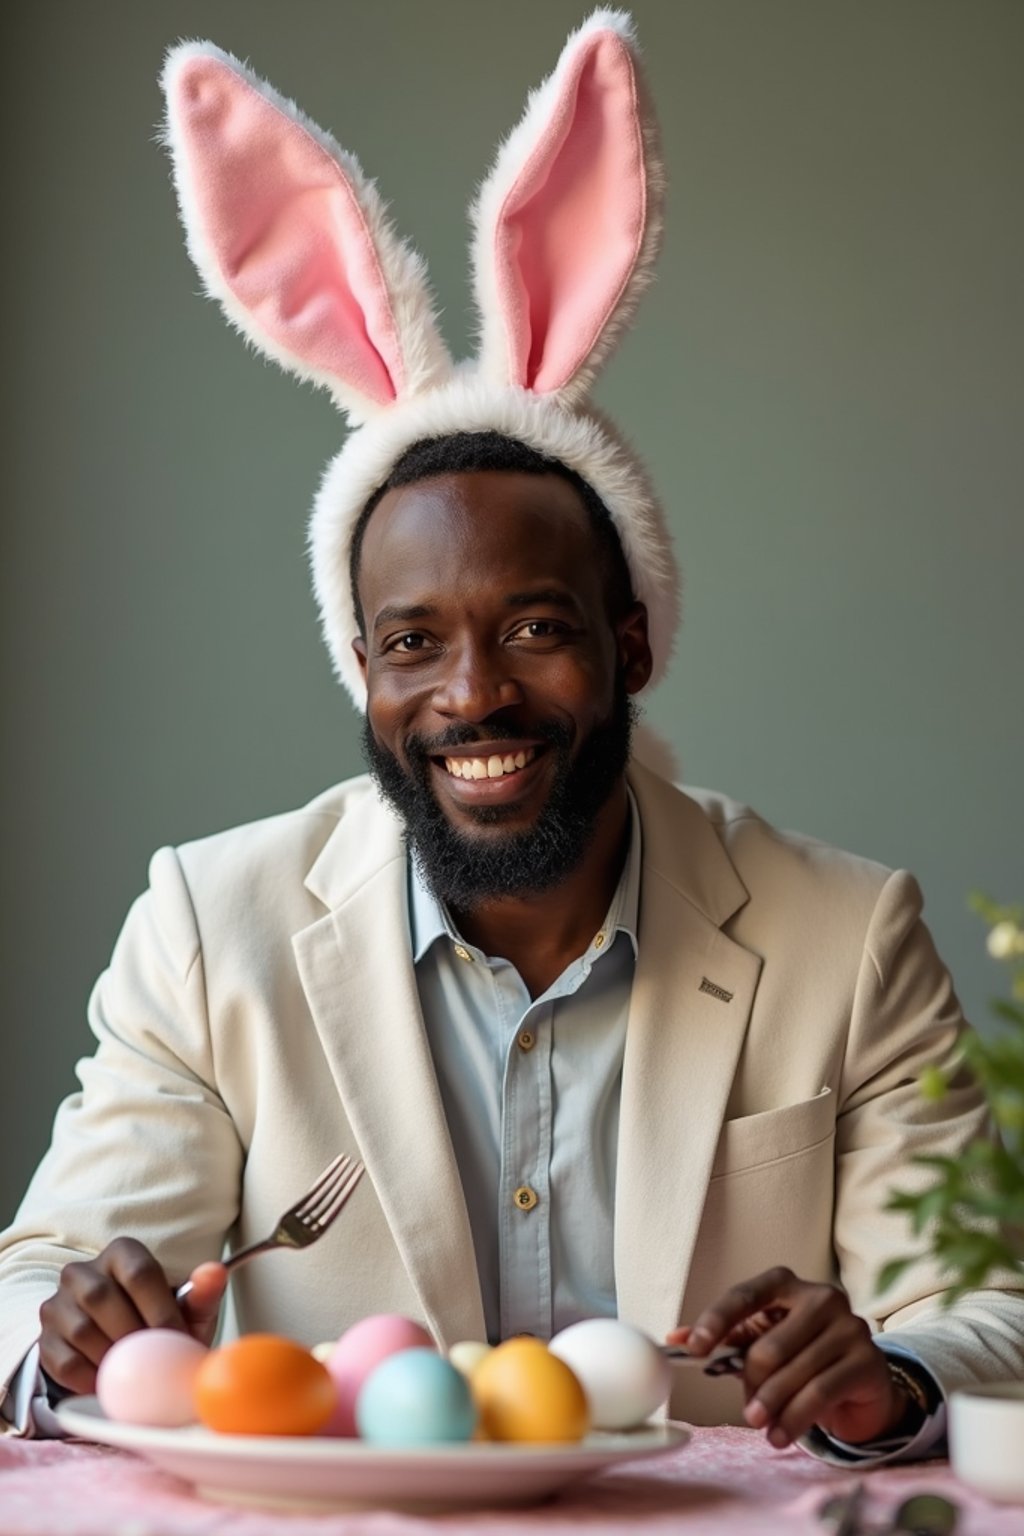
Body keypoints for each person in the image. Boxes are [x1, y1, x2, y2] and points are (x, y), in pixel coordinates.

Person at [1, 12, 1021, 1458]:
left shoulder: (847, 936)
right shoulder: (207, 929)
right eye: (414, 644)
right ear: (363, 675)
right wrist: (70, 1335)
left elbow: (992, 1306)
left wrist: (897, 1370)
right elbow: (29, 1284)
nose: (472, 695)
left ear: (634, 644)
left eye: (535, 627)